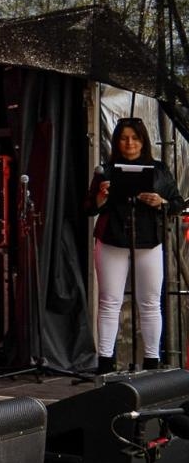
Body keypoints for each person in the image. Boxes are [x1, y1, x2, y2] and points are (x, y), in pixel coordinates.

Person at [86, 117, 182, 371]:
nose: (130, 143)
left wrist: (160, 201)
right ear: (117, 141)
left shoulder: (159, 169)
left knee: (150, 302)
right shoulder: (105, 170)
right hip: (112, 240)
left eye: (135, 138)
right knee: (109, 301)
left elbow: (177, 202)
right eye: (124, 137)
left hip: (149, 240)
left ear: (143, 141)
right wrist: (99, 197)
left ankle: (152, 361)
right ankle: (105, 362)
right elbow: (87, 208)